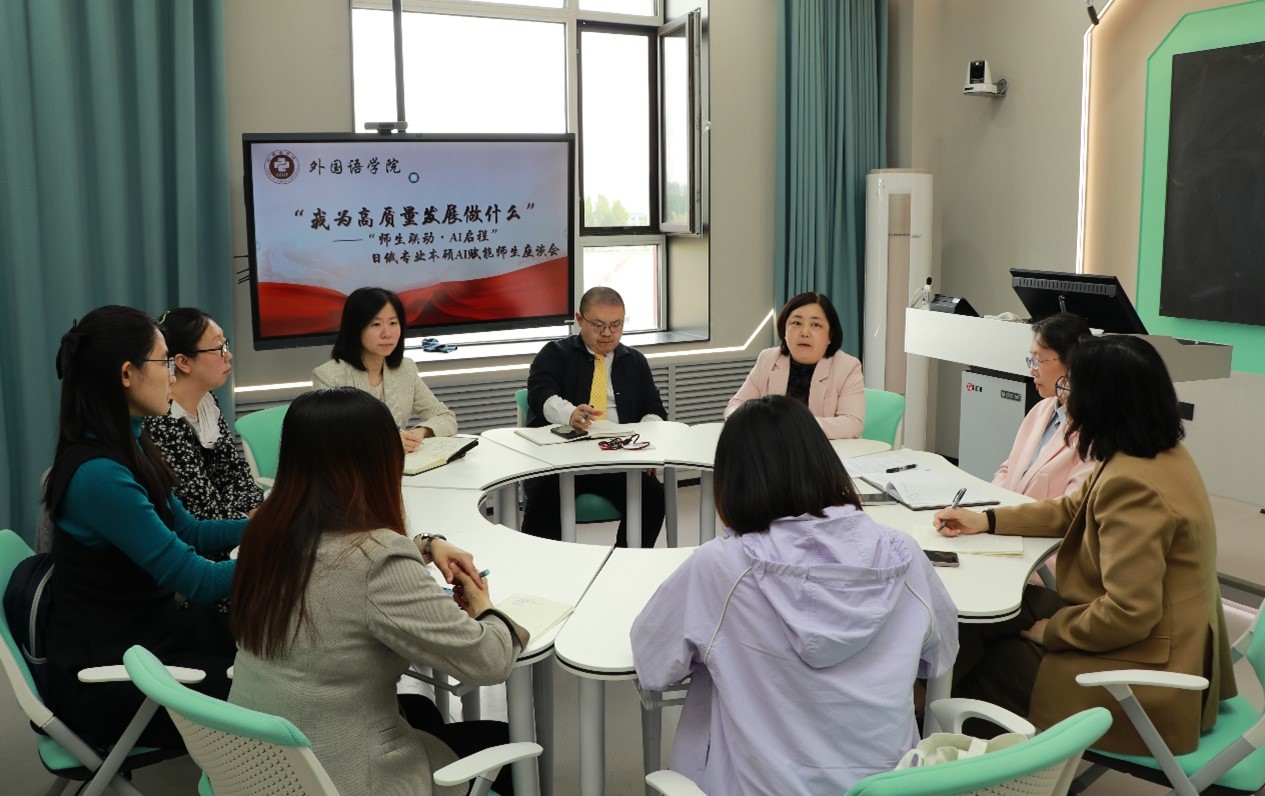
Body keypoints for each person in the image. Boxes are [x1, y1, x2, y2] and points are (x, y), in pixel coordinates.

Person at [632, 396, 958, 794]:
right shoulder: (903, 553)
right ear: (824, 461)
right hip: (885, 786)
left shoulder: (721, 568)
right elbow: (941, 656)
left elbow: (653, 664)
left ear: (732, 481)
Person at [934, 335, 1236, 755]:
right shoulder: (1151, 453)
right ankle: (920, 706)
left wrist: (1054, 631)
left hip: (1149, 668)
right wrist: (986, 520)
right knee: (989, 616)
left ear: (1100, 401)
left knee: (993, 661)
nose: (1066, 397)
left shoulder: (1134, 486)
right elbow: (1070, 510)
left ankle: (977, 757)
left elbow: (1129, 613)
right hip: (1160, 638)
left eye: (1071, 386)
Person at [229, 387, 528, 796]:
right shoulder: (378, 559)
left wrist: (426, 545)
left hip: (257, 765)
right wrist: (484, 605)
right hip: (337, 775)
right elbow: (489, 661)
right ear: (378, 461)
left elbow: (337, 571)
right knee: (503, 739)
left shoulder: (265, 531)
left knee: (422, 709)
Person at [44, 305, 247, 749]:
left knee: (269, 656)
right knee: (274, 689)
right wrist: (283, 553)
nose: (172, 376)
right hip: (113, 677)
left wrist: (265, 529)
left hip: (149, 641)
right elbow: (196, 580)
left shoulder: (129, 442)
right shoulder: (100, 475)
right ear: (127, 374)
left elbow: (189, 532)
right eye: (164, 362)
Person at [522, 286, 667, 547]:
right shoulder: (555, 353)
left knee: (653, 496)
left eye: (616, 325)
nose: (608, 333)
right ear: (580, 320)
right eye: (599, 325)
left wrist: (641, 441)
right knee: (545, 499)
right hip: (558, 462)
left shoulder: (634, 361)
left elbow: (655, 410)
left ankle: (624, 563)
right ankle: (544, 568)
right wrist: (569, 414)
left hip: (616, 460)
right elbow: (540, 394)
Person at [143, 309, 262, 617]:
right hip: (199, 560)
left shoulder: (207, 401)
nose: (229, 355)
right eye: (219, 348)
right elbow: (200, 512)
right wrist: (260, 529)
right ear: (183, 362)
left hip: (227, 533)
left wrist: (257, 512)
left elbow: (233, 474)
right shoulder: (161, 422)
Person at [312, 287, 457, 453]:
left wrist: (419, 432)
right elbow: (329, 440)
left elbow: (445, 417)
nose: (387, 333)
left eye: (393, 323)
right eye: (376, 324)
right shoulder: (328, 376)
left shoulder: (405, 368)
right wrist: (387, 441)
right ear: (355, 328)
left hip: (401, 464)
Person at [725, 291, 866, 439]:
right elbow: (736, 405)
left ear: (830, 335)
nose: (804, 333)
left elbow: (852, 423)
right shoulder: (768, 358)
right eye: (796, 323)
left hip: (825, 449)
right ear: (784, 331)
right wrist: (754, 423)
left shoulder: (847, 366)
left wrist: (795, 426)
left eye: (815, 325)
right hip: (774, 447)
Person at [992, 313, 1093, 498]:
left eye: (1039, 361)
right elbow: (1009, 469)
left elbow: (1072, 506)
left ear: (1073, 363)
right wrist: (993, 504)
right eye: (1031, 360)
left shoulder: (1092, 430)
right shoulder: (1041, 410)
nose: (1032, 370)